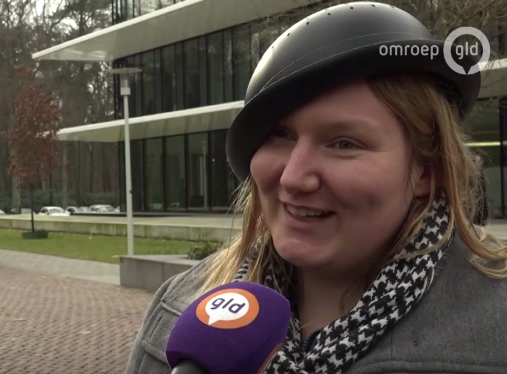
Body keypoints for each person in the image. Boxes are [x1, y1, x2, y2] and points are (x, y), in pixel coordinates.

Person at [124, 2, 507, 374]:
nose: (293, 178)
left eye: (344, 143)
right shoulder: (180, 307)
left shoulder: (493, 329)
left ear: (426, 169)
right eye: (280, 135)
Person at [472, 155, 491, 226]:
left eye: (475, 161)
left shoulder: (481, 174)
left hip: (480, 201)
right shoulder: (474, 174)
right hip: (476, 201)